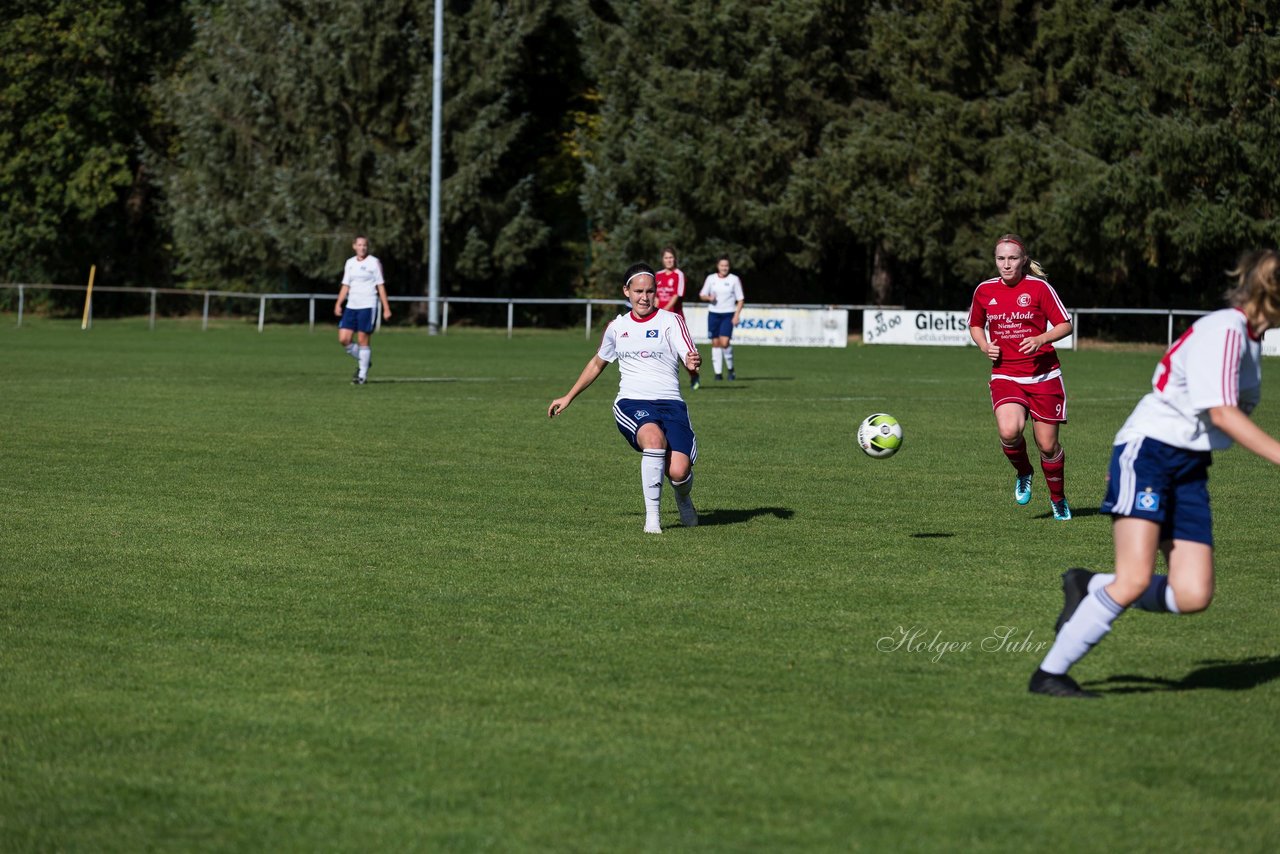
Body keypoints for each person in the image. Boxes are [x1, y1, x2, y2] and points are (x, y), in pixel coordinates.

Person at [1029, 249, 1280, 699]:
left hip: (1189, 466)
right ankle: (1050, 674)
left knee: (1193, 594)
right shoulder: (1226, 330)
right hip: (1149, 454)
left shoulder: (1249, 338)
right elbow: (1221, 413)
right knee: (1135, 579)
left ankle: (1089, 585)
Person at [548, 262, 702, 534]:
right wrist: (569, 396)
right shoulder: (617, 328)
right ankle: (652, 519)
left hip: (671, 404)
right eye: (639, 291)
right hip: (632, 403)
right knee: (653, 440)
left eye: (650, 291)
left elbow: (689, 356)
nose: (645, 297)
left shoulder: (671, 321)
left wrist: (692, 362)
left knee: (679, 472)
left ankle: (682, 498)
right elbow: (597, 363)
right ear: (626, 292)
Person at [968, 234, 1074, 520]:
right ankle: (1024, 471)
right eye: (1001, 258)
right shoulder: (984, 290)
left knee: (1048, 446)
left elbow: (1065, 324)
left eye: (1012, 258)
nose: (1006, 264)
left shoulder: (1039, 288)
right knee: (1008, 431)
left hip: (1044, 377)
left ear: (1023, 260)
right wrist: (984, 345)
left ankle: (1058, 498)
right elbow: (976, 324)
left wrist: (1041, 339)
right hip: (1006, 375)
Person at [334, 235, 392, 385]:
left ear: (367, 247)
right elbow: (346, 284)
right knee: (343, 339)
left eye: (364, 245)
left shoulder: (374, 263)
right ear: (354, 246)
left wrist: (386, 308)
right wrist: (338, 303)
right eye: (359, 245)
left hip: (368, 304)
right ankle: (364, 360)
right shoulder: (350, 263)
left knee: (362, 340)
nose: (362, 248)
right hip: (351, 305)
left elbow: (380, 285)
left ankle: (362, 375)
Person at [655, 246, 701, 389]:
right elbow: (655, 297)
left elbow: (676, 296)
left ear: (675, 259)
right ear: (662, 260)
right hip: (658, 318)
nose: (669, 260)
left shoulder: (678, 275)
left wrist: (664, 311)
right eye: (666, 258)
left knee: (681, 351)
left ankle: (693, 374)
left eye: (671, 257)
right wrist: (655, 312)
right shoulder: (657, 275)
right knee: (658, 349)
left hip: (674, 318)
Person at [699, 255, 744, 381]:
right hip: (713, 314)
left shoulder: (734, 279)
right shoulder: (711, 278)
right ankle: (718, 373)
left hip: (728, 314)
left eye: (726, 265)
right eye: (722, 265)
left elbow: (740, 299)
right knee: (715, 343)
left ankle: (730, 369)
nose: (724, 268)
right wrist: (709, 298)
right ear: (718, 266)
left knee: (724, 343)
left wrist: (736, 315)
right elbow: (702, 295)